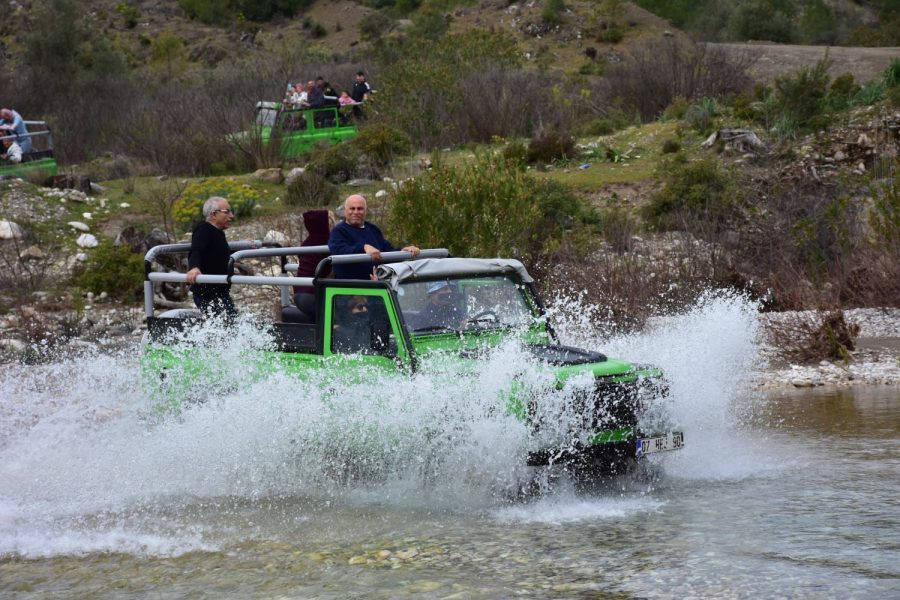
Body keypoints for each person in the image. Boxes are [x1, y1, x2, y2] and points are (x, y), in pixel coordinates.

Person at [328, 194, 420, 280]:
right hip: (349, 288)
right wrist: (364, 248)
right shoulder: (339, 231)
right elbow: (338, 251)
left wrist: (403, 251)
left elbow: (387, 251)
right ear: (345, 210)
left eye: (360, 209)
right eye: (352, 208)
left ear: (366, 211)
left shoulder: (373, 229)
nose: (356, 212)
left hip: (378, 285)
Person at [186, 196, 237, 319]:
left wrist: (245, 246)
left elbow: (218, 252)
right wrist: (194, 267)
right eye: (227, 212)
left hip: (220, 289)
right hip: (207, 292)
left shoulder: (217, 232)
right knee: (223, 324)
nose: (232, 216)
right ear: (214, 214)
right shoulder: (204, 229)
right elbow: (196, 249)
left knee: (230, 323)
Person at [293, 209, 335, 320]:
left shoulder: (307, 242)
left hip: (299, 294)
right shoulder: (327, 241)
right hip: (312, 294)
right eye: (331, 222)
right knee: (337, 318)